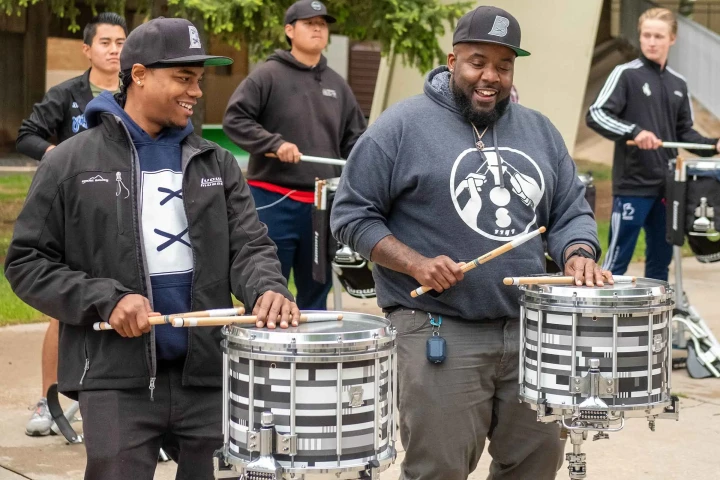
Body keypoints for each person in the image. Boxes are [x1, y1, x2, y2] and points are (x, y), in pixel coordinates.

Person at [5, 17, 299, 479]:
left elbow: (250, 245)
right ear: (138, 75)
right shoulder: (70, 161)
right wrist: (107, 298)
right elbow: (26, 263)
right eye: (184, 78)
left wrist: (267, 288)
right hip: (115, 379)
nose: (196, 92)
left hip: (206, 374)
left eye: (198, 80)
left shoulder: (216, 162)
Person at [331, 6, 609, 480]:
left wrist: (578, 251)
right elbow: (351, 215)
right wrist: (416, 263)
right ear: (452, 58)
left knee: (535, 462)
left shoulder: (538, 129)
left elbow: (569, 211)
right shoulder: (400, 127)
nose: (491, 77)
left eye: (504, 66)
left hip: (532, 331)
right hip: (439, 327)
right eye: (478, 62)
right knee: (438, 469)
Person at [15, 11, 128, 437]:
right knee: (63, 312)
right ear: (87, 50)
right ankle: (49, 401)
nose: (114, 49)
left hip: (118, 213)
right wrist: (58, 156)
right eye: (105, 42)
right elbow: (27, 133)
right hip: (71, 212)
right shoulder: (66, 95)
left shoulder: (132, 91)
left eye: (120, 42)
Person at [223, 0, 366, 309]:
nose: (318, 28)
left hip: (321, 206)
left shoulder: (338, 85)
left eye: (323, 23)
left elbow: (355, 140)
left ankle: (314, 356)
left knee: (317, 290)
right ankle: (266, 355)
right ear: (289, 30)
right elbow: (235, 120)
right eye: (308, 22)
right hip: (274, 202)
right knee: (269, 290)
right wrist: (274, 144)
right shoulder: (267, 75)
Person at [587, 7, 720, 281]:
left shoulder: (679, 84)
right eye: (646, 35)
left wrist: (713, 144)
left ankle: (652, 323)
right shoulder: (625, 74)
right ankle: (603, 320)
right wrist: (634, 132)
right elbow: (597, 113)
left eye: (658, 36)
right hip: (632, 186)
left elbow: (685, 133)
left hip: (669, 188)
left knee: (660, 263)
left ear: (672, 38)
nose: (651, 41)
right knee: (615, 264)